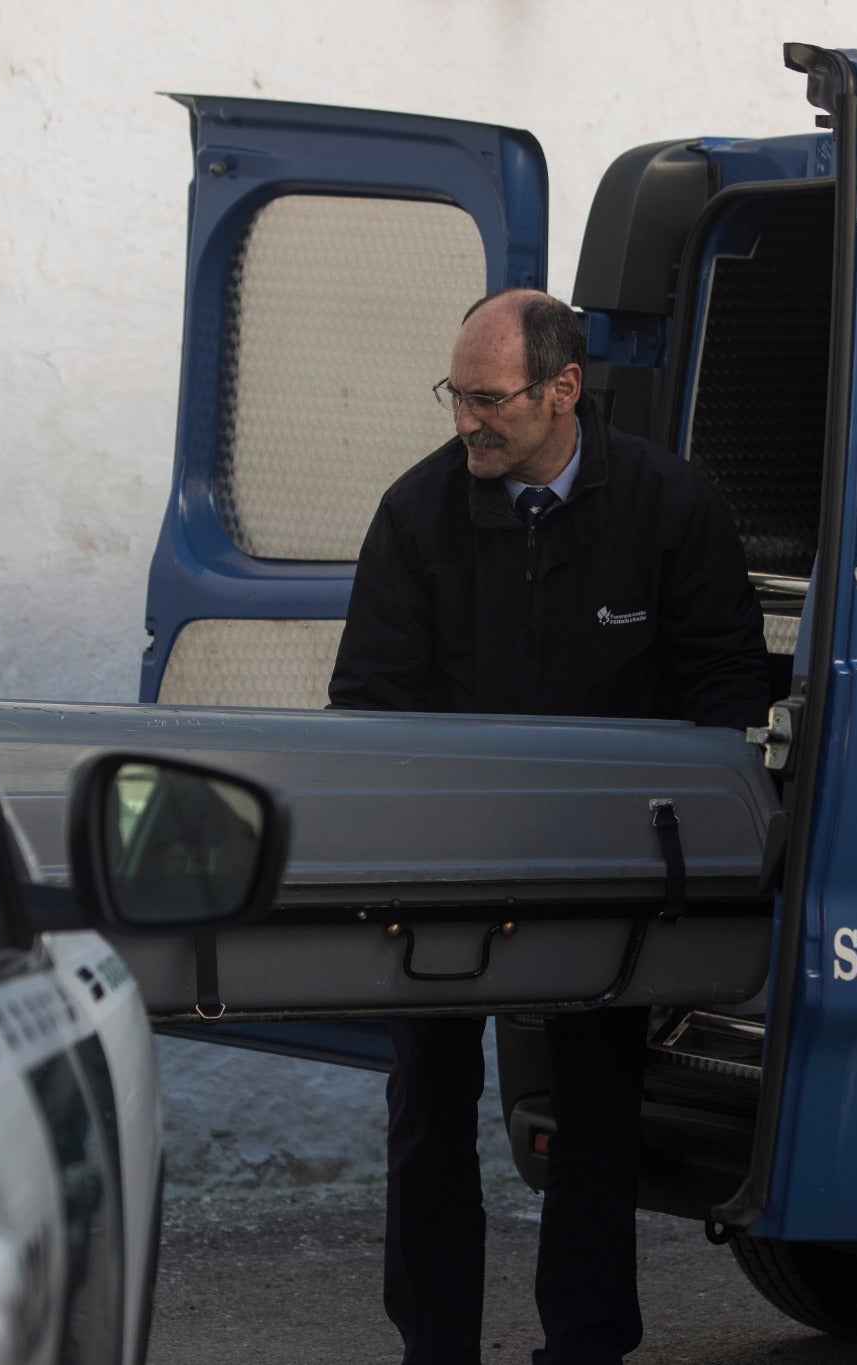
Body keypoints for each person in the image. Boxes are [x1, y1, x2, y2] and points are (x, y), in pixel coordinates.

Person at [329, 288, 770, 1364]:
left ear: (563, 389)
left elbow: (724, 694)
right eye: (455, 397)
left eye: (488, 400)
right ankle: (434, 1348)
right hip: (441, 874)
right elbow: (369, 702)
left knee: (598, 1111)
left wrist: (691, 863)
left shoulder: (669, 509)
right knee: (427, 1111)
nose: (465, 422)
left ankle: (584, 1345)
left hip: (601, 872)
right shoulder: (414, 513)